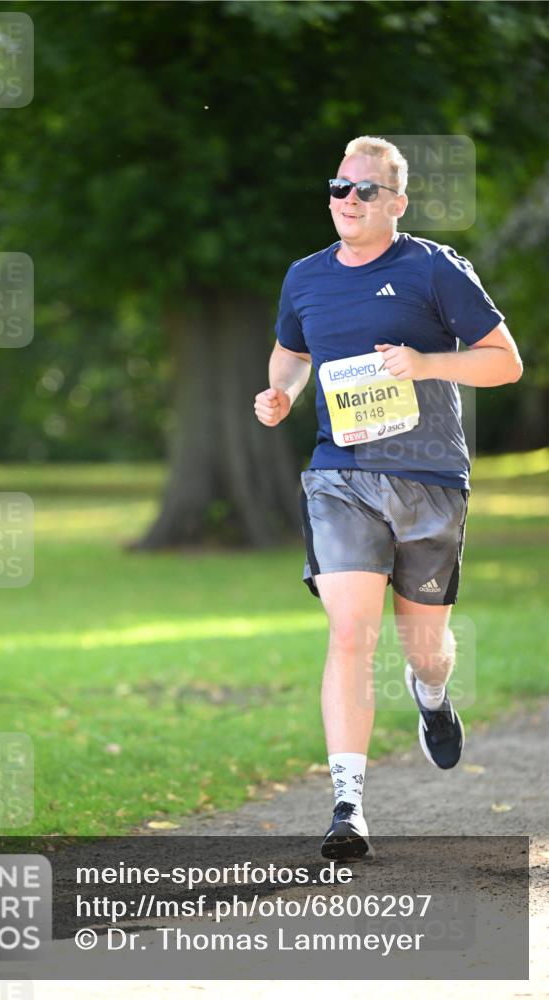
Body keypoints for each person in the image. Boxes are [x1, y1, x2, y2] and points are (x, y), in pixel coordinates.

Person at [254, 135, 522, 860]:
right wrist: (280, 392)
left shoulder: (433, 269)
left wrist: (424, 362)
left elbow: (505, 361)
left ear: (396, 203)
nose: (346, 200)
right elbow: (292, 351)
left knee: (424, 646)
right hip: (339, 475)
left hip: (430, 480)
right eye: (337, 188)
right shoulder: (305, 276)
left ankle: (430, 693)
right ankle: (347, 805)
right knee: (350, 632)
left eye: (363, 190)